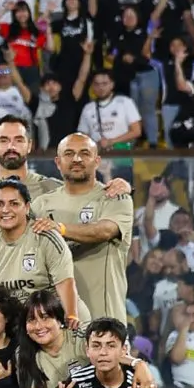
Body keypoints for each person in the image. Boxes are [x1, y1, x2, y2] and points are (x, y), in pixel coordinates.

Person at [31, 132, 135, 324]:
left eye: (84, 153)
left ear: (97, 161)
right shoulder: (40, 205)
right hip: (56, 325)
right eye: (69, 153)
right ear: (58, 161)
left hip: (104, 324)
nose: (77, 159)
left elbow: (105, 231)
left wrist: (59, 229)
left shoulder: (114, 197)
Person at [0, 179, 79, 325]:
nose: (6, 210)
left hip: (49, 322)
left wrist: (71, 317)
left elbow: (64, 282)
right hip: (11, 326)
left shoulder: (45, 238)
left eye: (14, 204)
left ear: (27, 207)